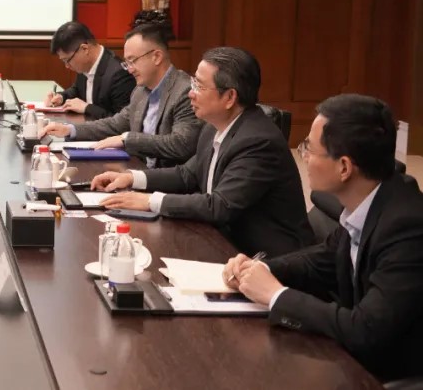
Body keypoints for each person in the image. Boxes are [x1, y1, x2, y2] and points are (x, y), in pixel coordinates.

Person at [223, 94, 423, 382]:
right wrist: (260, 269)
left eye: (309, 148)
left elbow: (365, 330)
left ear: (344, 167)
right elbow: (324, 258)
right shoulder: (366, 201)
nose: (302, 156)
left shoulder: (407, 226)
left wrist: (276, 295)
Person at [94, 47, 314, 257]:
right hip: (220, 239)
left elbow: (219, 206)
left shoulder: (258, 142)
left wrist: (150, 201)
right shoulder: (213, 126)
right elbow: (187, 174)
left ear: (230, 97)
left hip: (262, 258)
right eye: (193, 82)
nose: (191, 93)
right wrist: (131, 178)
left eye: (199, 86)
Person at [40, 24, 200, 168]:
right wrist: (69, 130)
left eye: (132, 61)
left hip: (166, 181)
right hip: (138, 170)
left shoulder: (184, 91)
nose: (129, 69)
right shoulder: (140, 91)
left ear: (156, 57)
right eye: (127, 62)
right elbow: (116, 124)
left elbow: (181, 144)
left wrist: (126, 139)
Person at [43, 21, 135, 119]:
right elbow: (77, 90)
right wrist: (61, 97)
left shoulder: (119, 74)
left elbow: (123, 121)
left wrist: (87, 108)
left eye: (67, 60)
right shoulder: (85, 65)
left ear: (84, 49)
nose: (67, 66)